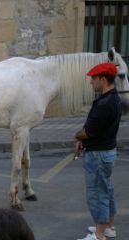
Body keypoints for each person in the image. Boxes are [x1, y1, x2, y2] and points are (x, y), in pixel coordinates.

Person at [74, 62, 122, 240]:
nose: (91, 82)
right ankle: (109, 227)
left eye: (93, 78)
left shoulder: (104, 103)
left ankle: (99, 234)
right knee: (107, 190)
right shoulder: (114, 98)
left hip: (98, 155)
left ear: (103, 79)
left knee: (97, 193)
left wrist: (78, 137)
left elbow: (88, 131)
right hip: (106, 151)